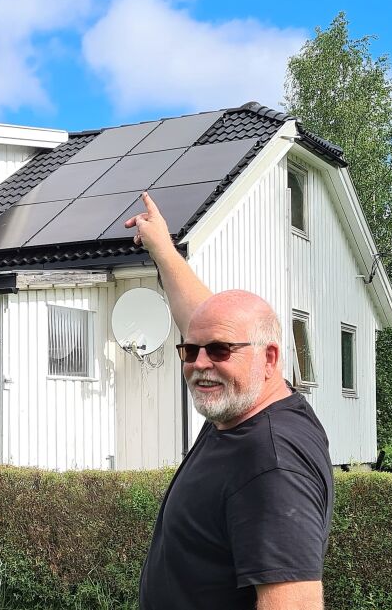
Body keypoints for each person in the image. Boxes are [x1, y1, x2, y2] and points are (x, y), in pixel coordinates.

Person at [125, 192, 333, 610]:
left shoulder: (271, 464)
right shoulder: (251, 399)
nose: (202, 364)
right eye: (190, 350)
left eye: (219, 351)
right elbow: (203, 316)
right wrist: (162, 248)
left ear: (269, 357)